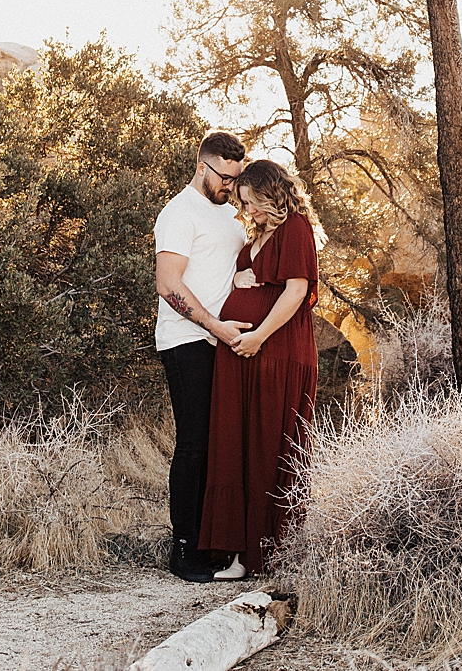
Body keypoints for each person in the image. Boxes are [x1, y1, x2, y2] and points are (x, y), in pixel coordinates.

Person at [198, 158, 323, 579]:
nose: (247, 210)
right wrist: (236, 282)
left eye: (252, 202)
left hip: (278, 353)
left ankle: (269, 555)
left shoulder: (296, 228)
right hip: (240, 356)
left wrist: (258, 337)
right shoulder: (258, 234)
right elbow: (248, 278)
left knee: (270, 446)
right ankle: (239, 555)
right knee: (237, 446)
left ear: (273, 195)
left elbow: (296, 292)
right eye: (243, 203)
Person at [153, 130, 256, 584]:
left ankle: (212, 543)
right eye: (224, 178)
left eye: (235, 179)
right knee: (194, 443)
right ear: (202, 167)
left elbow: (224, 270)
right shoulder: (179, 213)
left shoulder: (232, 216)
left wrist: (241, 283)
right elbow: (168, 283)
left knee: (220, 445)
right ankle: (183, 549)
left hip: (225, 343)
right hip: (187, 340)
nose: (230, 186)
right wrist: (215, 326)